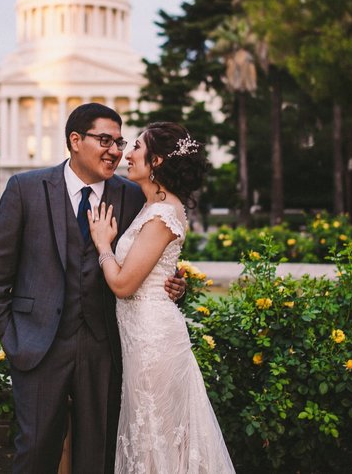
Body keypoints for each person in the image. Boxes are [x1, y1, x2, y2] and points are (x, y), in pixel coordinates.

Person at [0, 103, 185, 474]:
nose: (115, 150)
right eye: (104, 139)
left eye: (120, 142)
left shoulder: (134, 196)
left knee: (99, 454)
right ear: (75, 140)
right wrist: (10, 336)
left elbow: (152, 254)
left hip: (105, 345)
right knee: (35, 452)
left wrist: (173, 284)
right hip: (38, 345)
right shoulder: (25, 188)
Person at [89, 122, 235, 473]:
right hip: (142, 337)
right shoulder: (152, 205)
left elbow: (124, 285)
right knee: (154, 438)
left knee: (155, 438)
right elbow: (156, 269)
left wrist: (103, 246)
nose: (126, 153)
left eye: (135, 147)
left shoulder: (162, 213)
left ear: (156, 161)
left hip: (153, 342)